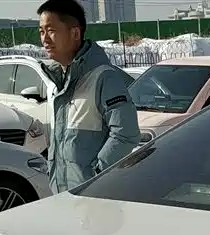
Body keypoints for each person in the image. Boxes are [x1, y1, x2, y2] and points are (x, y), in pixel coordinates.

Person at [36, 0, 140, 193]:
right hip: (63, 195)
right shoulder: (57, 82)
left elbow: (126, 134)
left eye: (51, 30)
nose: (45, 39)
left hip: (94, 195)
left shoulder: (103, 77)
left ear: (75, 33)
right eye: (41, 31)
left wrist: (95, 175)